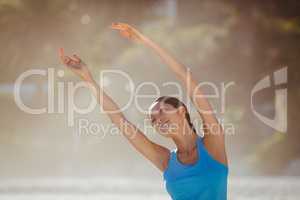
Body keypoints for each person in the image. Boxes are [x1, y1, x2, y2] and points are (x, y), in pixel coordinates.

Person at [59, 22, 229, 200]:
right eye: (153, 119)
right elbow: (120, 122)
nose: (158, 120)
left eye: (162, 112)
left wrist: (144, 41)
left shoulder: (213, 143)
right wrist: (88, 79)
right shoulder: (165, 160)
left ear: (181, 111)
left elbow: (185, 76)